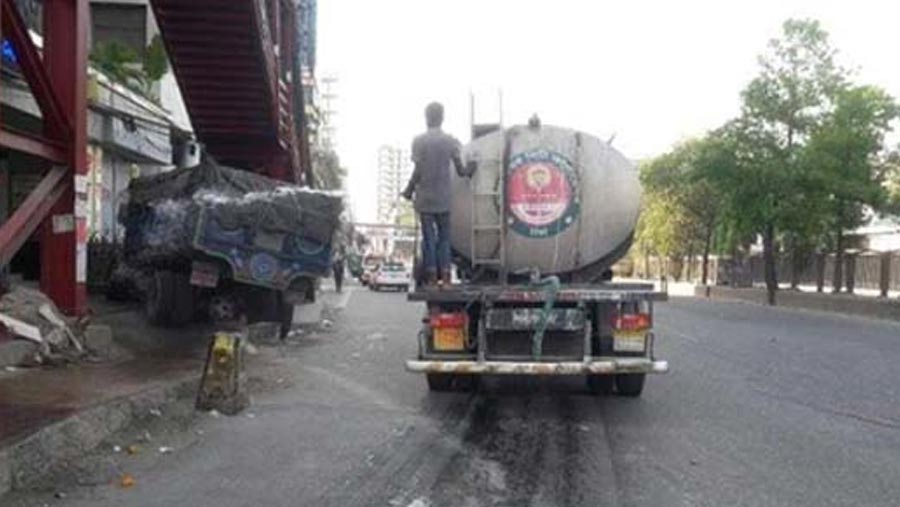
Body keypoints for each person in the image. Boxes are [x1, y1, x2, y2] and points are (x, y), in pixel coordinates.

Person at [402, 102, 473, 287]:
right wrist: (471, 169)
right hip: (444, 198)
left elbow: (418, 170)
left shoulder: (418, 141)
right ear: (442, 118)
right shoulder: (450, 141)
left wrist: (409, 190)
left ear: (426, 118)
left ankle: (432, 276)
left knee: (429, 238)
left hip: (425, 199)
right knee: (445, 239)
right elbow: (460, 169)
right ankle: (447, 276)